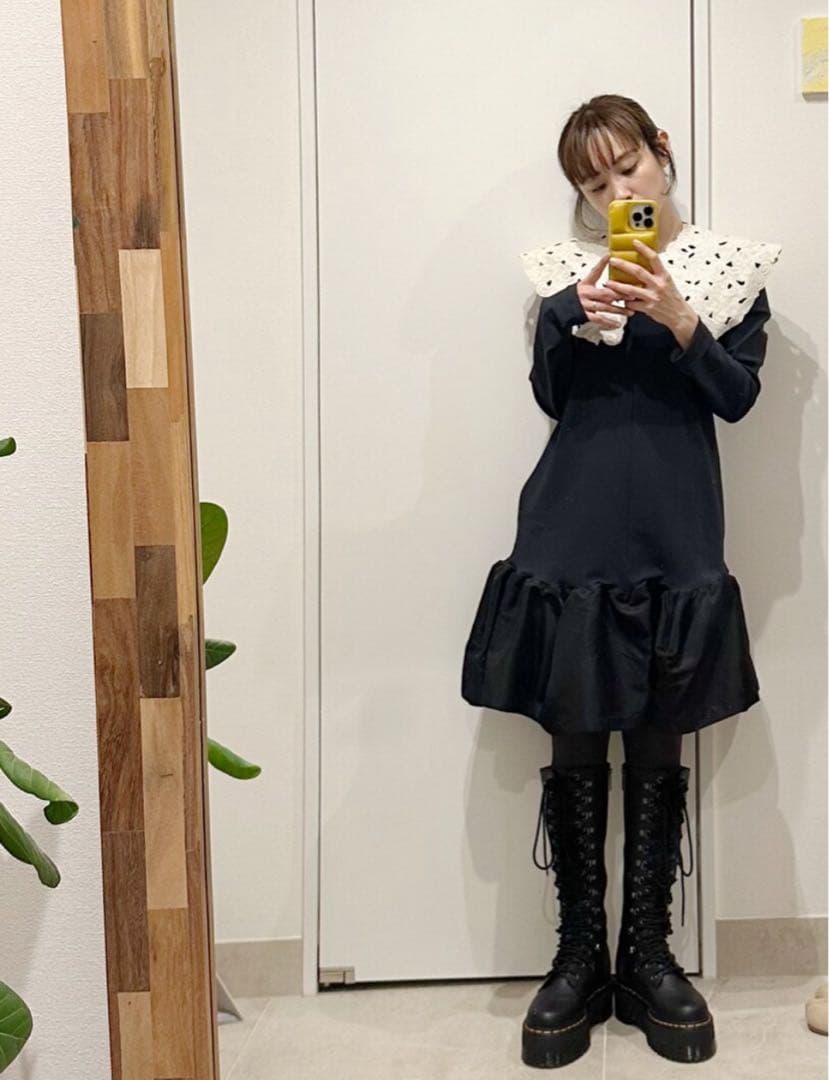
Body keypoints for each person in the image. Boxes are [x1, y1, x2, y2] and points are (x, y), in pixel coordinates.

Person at [460, 94, 782, 1068]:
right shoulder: (563, 276)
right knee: (573, 731)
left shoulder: (730, 272)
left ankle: (647, 954)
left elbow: (737, 398)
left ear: (660, 151)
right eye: (592, 182)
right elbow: (551, 398)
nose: (613, 193)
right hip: (569, 529)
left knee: (657, 734)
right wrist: (574, 316)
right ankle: (576, 956)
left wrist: (681, 320)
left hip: (677, 535)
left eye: (625, 167)